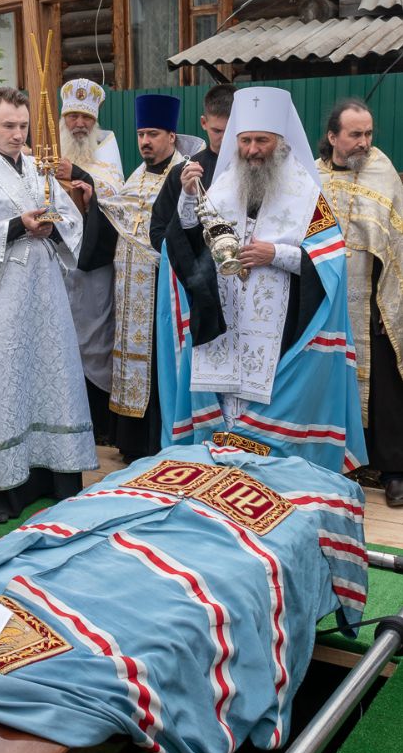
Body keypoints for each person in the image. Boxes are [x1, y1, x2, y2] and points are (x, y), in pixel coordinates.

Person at [157, 86, 366, 474]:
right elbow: (186, 244)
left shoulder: (307, 194)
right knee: (221, 434)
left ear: (280, 142)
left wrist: (277, 254)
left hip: (283, 334)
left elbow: (331, 261)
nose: (252, 150)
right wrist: (187, 197)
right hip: (225, 329)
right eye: (246, 140)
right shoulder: (222, 186)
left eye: (262, 141)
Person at [0, 86, 98, 523]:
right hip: (5, 294)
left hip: (47, 293)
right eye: (8, 125)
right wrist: (17, 225)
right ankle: (2, 489)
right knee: (5, 379)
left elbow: (70, 221)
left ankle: (58, 477)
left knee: (54, 373)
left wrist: (53, 227)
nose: (17, 134)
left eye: (23, 126)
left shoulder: (40, 169)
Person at [102, 93, 203, 461]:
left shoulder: (184, 174)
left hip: (164, 288)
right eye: (141, 134)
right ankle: (131, 442)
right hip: (129, 289)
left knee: (161, 360)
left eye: (153, 134)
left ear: (171, 137)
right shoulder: (136, 176)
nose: (145, 141)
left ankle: (157, 441)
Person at [317, 99, 403, 504]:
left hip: (372, 300)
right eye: (355, 134)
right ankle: (339, 463)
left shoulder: (383, 173)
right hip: (324, 301)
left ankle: (394, 470)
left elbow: (398, 242)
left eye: (368, 134)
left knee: (385, 386)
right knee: (331, 382)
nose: (364, 143)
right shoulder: (312, 177)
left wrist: (390, 302)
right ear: (333, 136)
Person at [55, 78, 124, 442]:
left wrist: (81, 178)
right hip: (59, 267)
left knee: (97, 340)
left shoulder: (107, 150)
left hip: (95, 268)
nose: (79, 124)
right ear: (63, 119)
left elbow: (113, 197)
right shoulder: (50, 153)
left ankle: (99, 423)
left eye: (86, 117)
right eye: (73, 116)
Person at [150, 83, 235, 253]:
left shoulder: (256, 169)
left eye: (231, 130)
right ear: (204, 122)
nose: (224, 138)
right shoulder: (182, 172)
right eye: (217, 131)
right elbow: (157, 232)